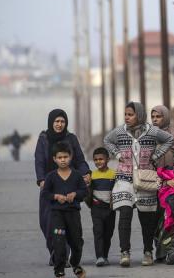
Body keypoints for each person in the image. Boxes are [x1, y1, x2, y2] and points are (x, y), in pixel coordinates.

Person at [104, 102, 174, 267]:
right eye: (126, 114)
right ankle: (124, 252)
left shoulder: (151, 131)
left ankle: (148, 251)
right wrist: (117, 153)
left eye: (130, 114)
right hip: (124, 179)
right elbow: (107, 140)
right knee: (125, 214)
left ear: (140, 115)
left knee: (146, 219)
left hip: (145, 179)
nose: (127, 117)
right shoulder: (120, 131)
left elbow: (169, 139)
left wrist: (156, 155)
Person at [35, 109, 90, 265]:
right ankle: (55, 251)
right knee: (46, 222)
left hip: (69, 184)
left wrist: (86, 173)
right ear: (51, 122)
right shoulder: (43, 139)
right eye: (57, 121)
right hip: (49, 185)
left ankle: (62, 255)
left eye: (62, 121)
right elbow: (39, 160)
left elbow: (79, 159)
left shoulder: (71, 139)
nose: (59, 124)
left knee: (67, 222)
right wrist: (41, 180)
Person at [41, 142, 87, 278]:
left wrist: (75, 195)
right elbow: (45, 194)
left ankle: (75, 264)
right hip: (57, 215)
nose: (63, 160)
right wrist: (55, 196)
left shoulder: (77, 175)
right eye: (60, 157)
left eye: (65, 157)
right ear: (54, 159)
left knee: (77, 242)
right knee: (59, 241)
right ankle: (59, 269)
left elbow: (84, 191)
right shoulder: (51, 176)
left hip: (73, 215)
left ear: (70, 157)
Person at [150, 105, 174, 264]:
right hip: (152, 183)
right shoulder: (147, 136)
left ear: (166, 117)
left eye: (159, 116)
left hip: (170, 183)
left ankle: (171, 251)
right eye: (153, 117)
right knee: (155, 219)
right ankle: (160, 250)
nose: (155, 120)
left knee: (169, 218)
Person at [89, 147, 116, 266]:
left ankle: (105, 255)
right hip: (96, 208)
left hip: (110, 209)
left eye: (101, 159)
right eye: (96, 159)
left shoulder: (113, 174)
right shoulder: (92, 175)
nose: (98, 161)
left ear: (108, 159)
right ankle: (99, 256)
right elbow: (88, 191)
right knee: (98, 231)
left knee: (108, 233)